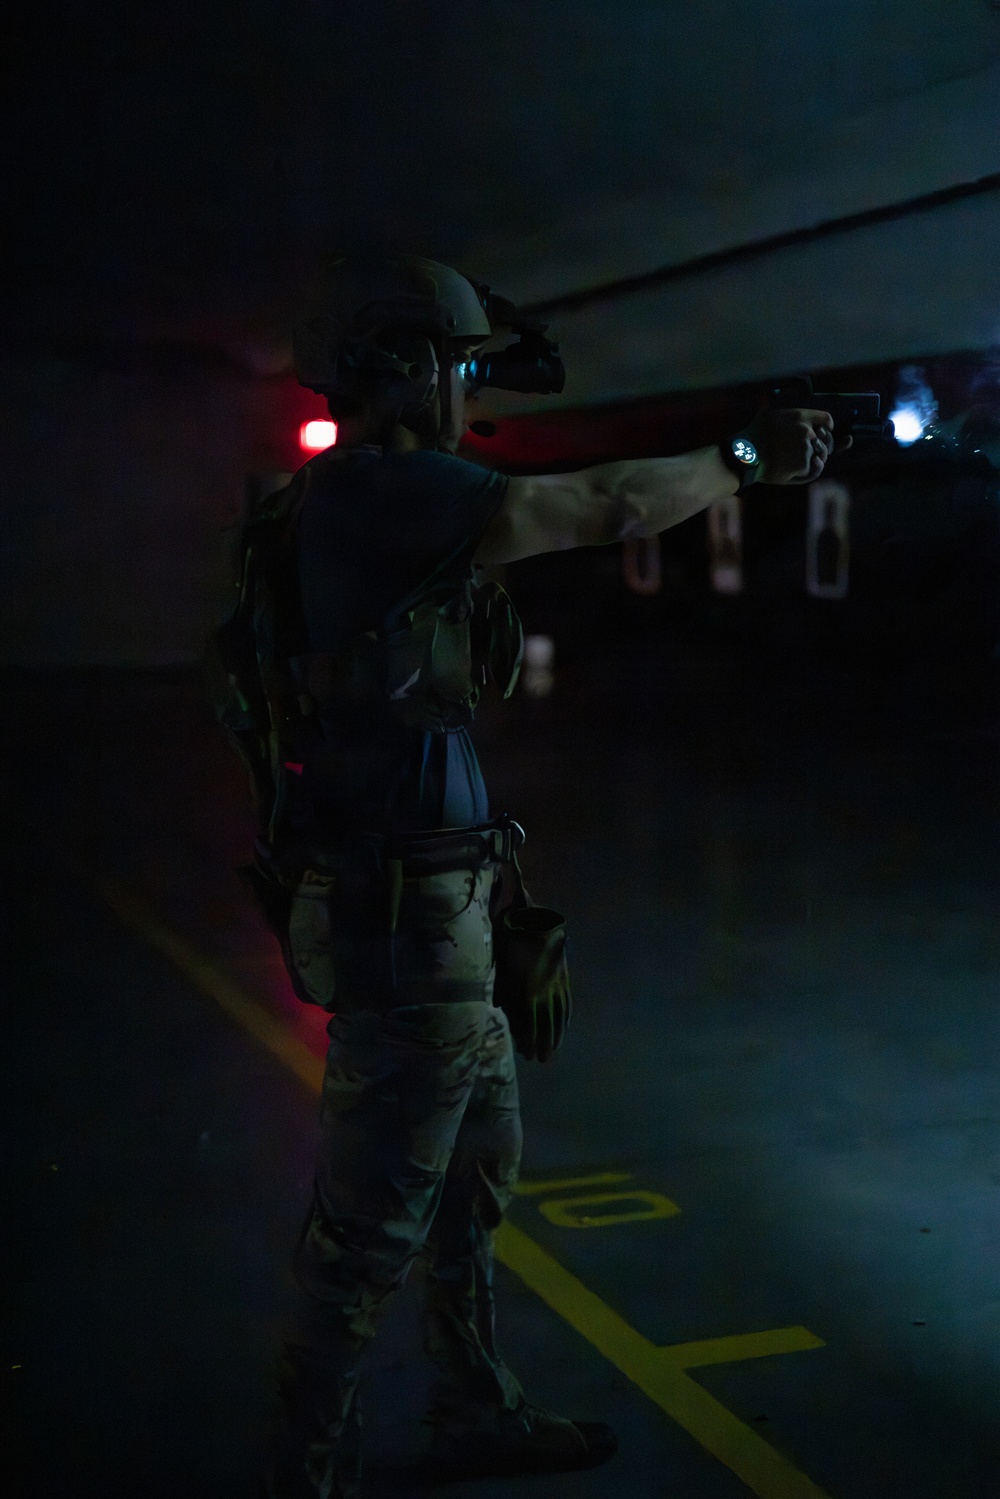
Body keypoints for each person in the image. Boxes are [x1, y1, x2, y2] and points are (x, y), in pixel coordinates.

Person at [244, 254, 843, 1498]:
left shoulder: (349, 501)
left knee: (471, 1184)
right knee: (370, 1227)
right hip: (408, 920)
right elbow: (609, 505)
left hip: (444, 905)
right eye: (457, 363)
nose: (468, 387)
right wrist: (745, 462)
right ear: (405, 367)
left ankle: (471, 1409)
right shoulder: (380, 494)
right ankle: (296, 1467)